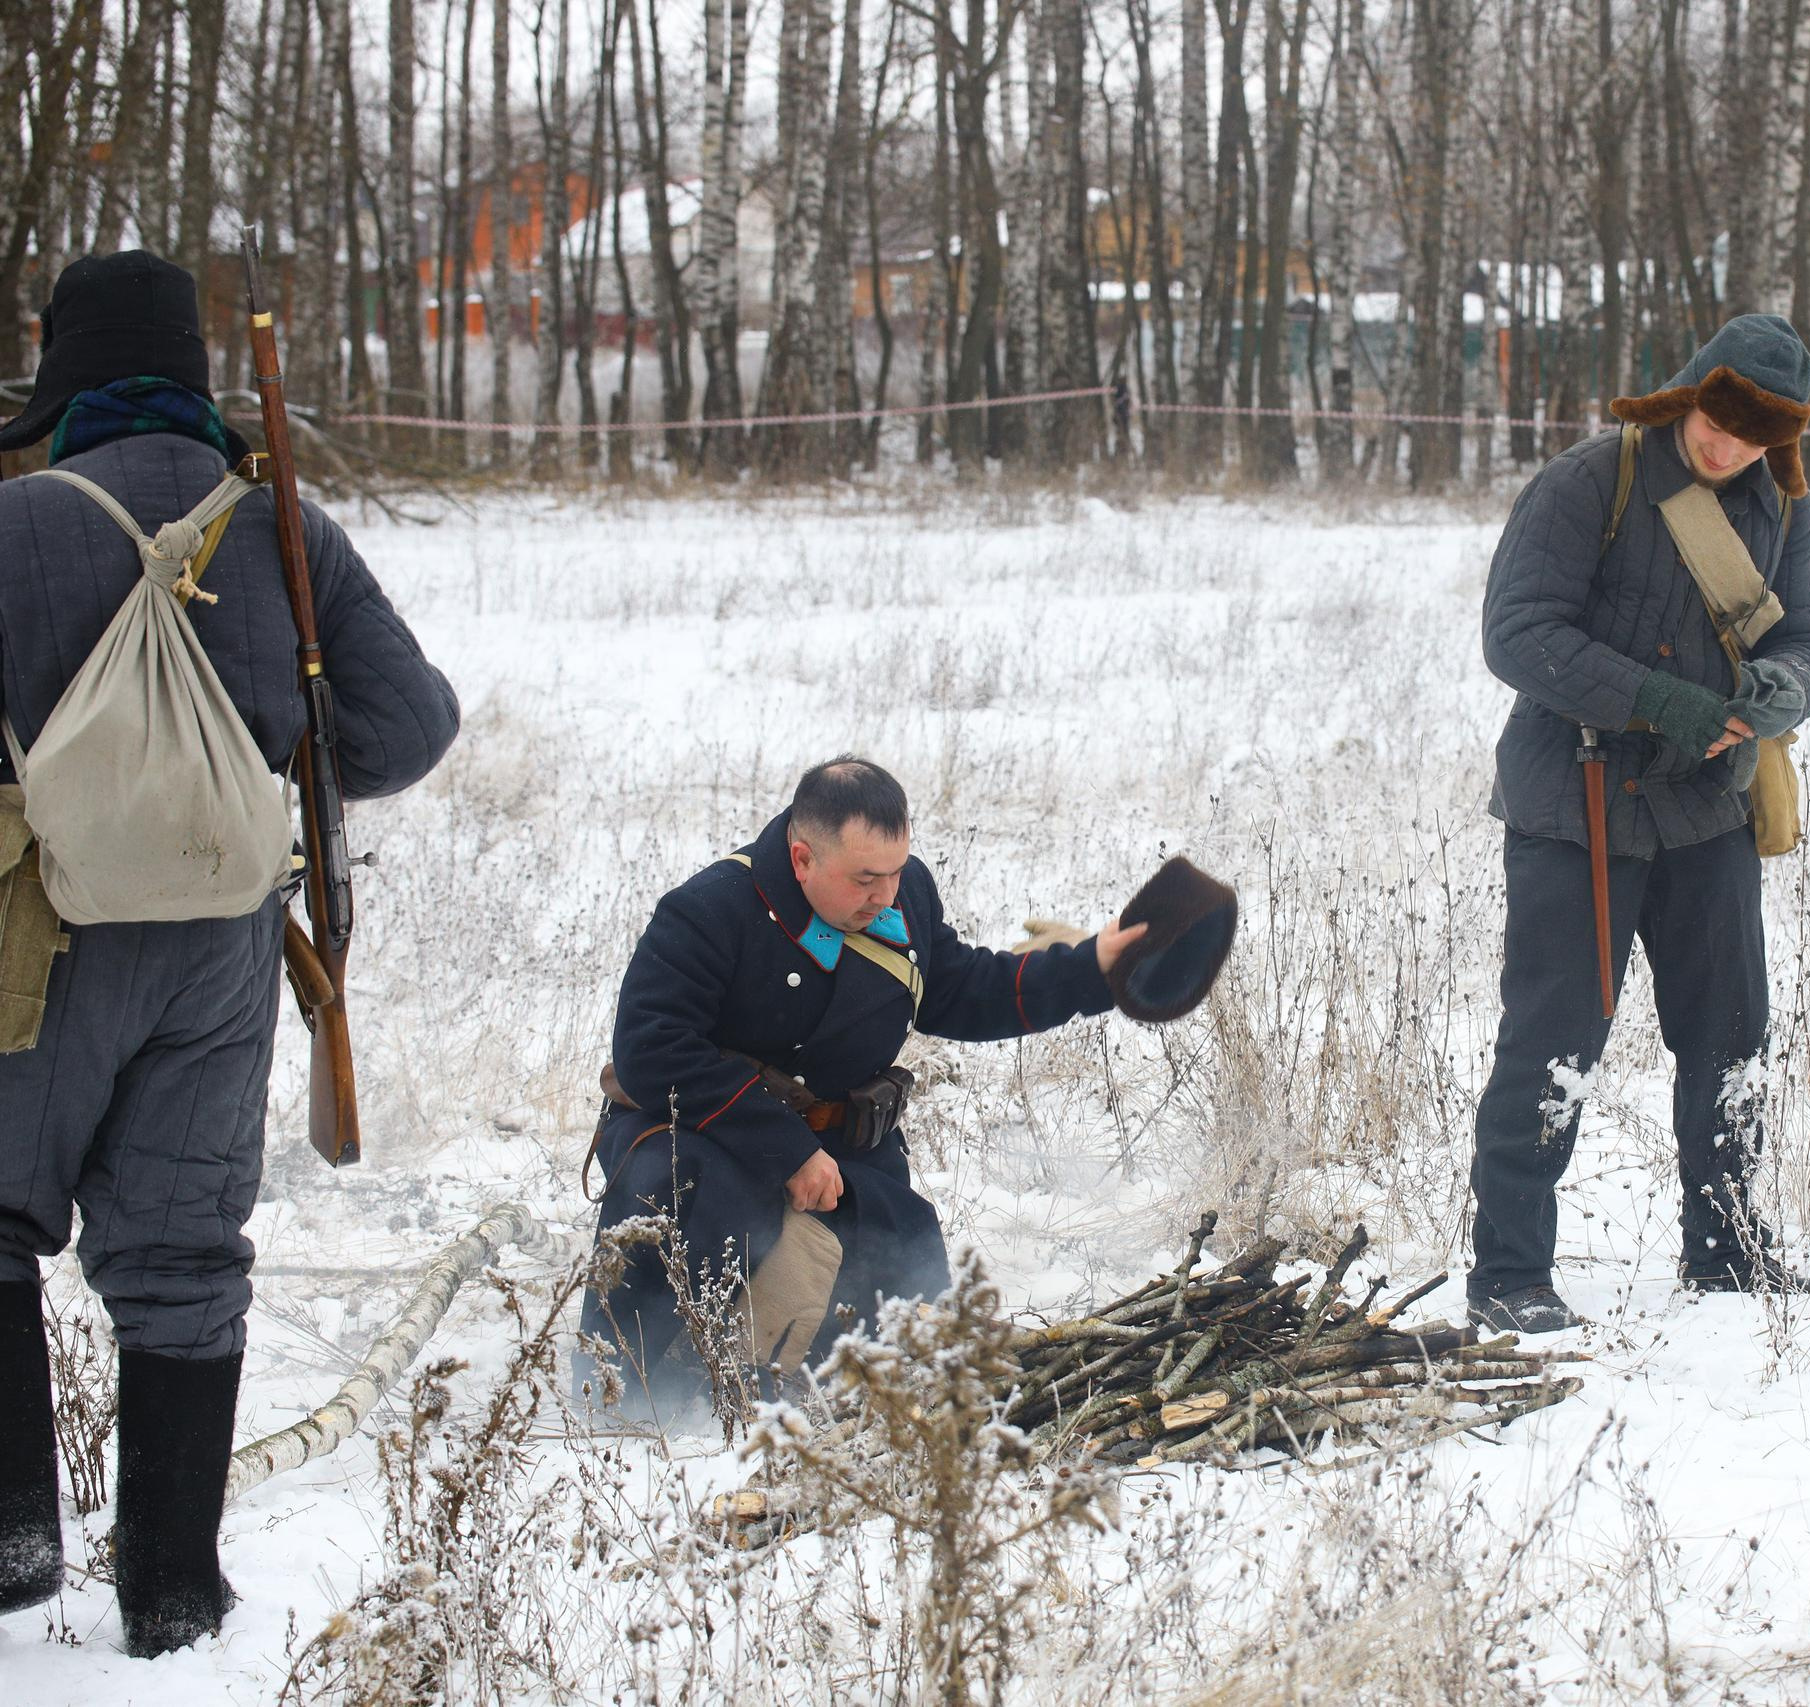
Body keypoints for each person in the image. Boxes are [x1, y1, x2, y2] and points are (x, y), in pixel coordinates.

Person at [0, 251, 460, 1654]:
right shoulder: (281, 530)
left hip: (37, 929)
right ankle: (174, 1596)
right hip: (219, 945)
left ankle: (16, 1549)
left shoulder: (14, 525)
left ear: (58, 367)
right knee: (187, 1259)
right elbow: (409, 726)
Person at [583, 757, 1235, 1418]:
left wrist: (1091, 967)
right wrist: (784, 1149)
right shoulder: (709, 910)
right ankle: (620, 1382)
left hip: (843, 1153)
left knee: (907, 1315)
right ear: (803, 858)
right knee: (683, 1187)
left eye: (896, 870)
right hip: (704, 1139)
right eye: (866, 878)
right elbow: (650, 1049)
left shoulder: (906, 893)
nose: (888, 895)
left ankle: (754, 1368)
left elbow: (959, 989)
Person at [1468, 313, 1810, 1334]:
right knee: (1552, 1042)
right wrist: (1659, 702)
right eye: (1719, 422)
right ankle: (1509, 1274)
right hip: (1574, 802)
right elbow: (1516, 635)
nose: (1728, 448)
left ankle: (1724, 1251)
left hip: (1705, 807)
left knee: (1730, 1039)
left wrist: (1783, 690)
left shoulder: (1779, 503)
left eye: (1755, 436)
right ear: (1687, 394)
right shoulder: (1590, 481)